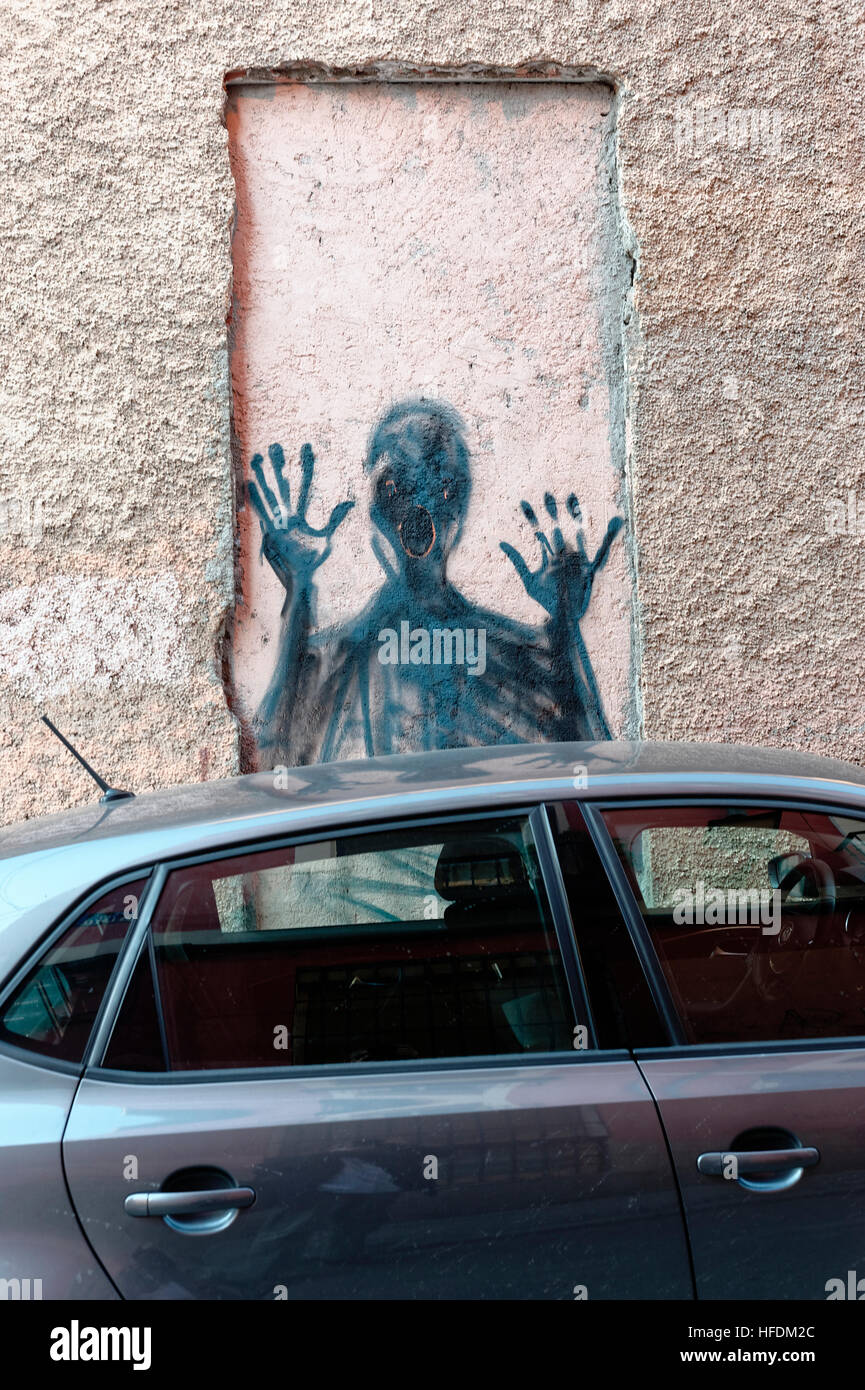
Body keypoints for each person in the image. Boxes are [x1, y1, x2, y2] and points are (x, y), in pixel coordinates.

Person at [247, 397, 624, 766]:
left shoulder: (515, 656)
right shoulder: (336, 661)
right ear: (376, 510)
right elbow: (275, 766)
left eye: (443, 488)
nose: (419, 510)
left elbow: (590, 770)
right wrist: (298, 597)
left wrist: (564, 628)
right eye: (396, 488)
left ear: (459, 509)